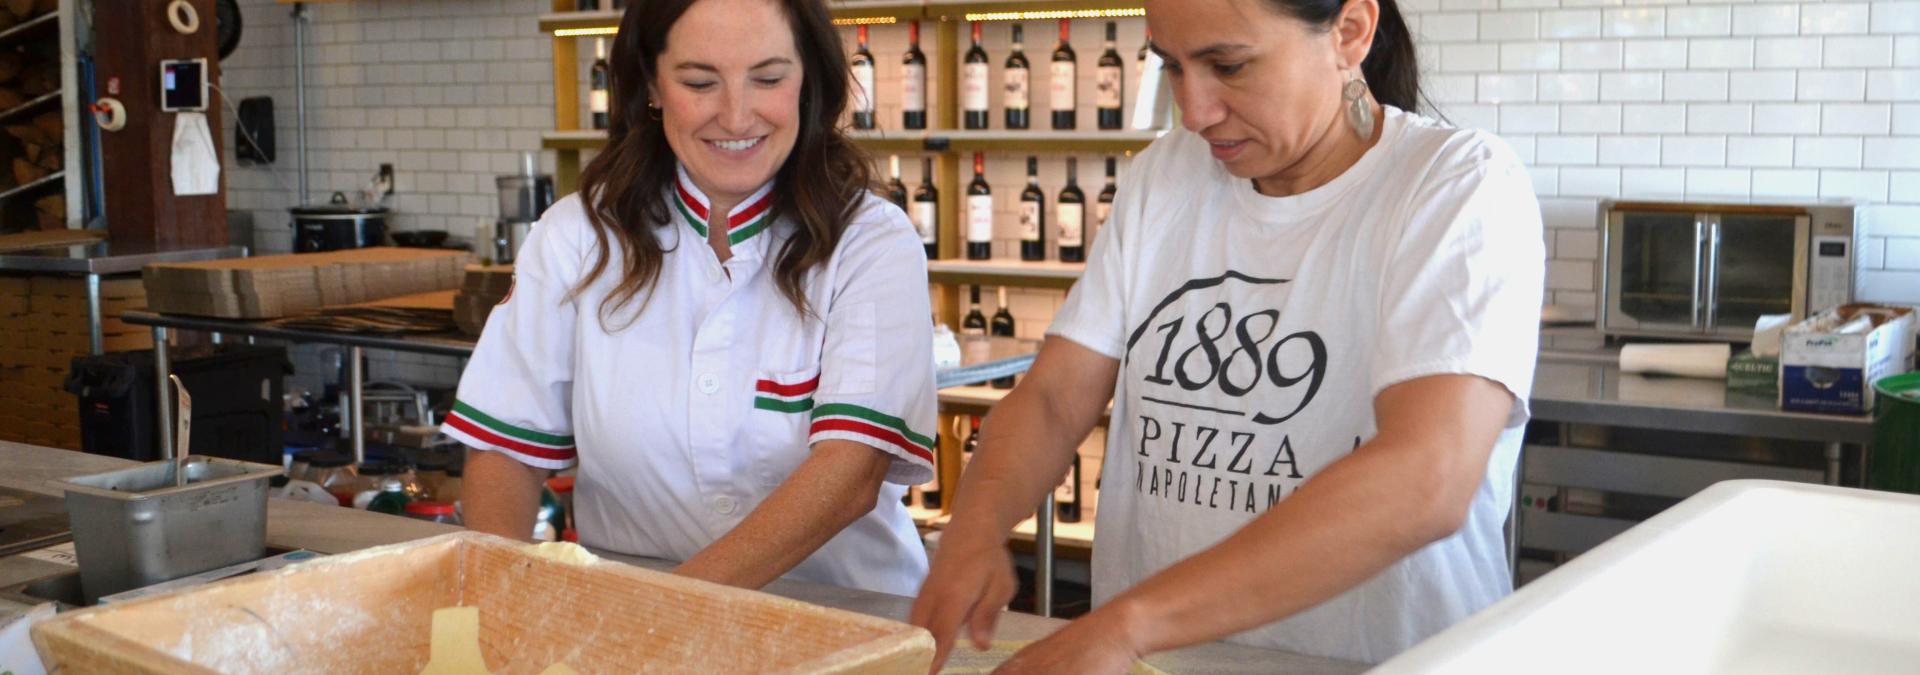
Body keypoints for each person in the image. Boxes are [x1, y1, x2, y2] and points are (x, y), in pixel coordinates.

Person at [910, 0, 1545, 669]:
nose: (1195, 110)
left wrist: (1130, 624)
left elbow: (1425, 476)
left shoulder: (1455, 185)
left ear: (1350, 32)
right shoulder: (1166, 176)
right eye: (1173, 67)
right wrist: (973, 529)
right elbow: (1054, 397)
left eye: (1228, 66)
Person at [442, 0, 938, 597]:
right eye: (700, 82)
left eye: (769, 78)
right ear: (651, 83)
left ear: (808, 81)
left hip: (846, 617)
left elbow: (852, 472)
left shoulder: (871, 241)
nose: (735, 115)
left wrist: (667, 610)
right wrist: (501, 598)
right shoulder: (577, 236)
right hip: (626, 609)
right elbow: (505, 447)